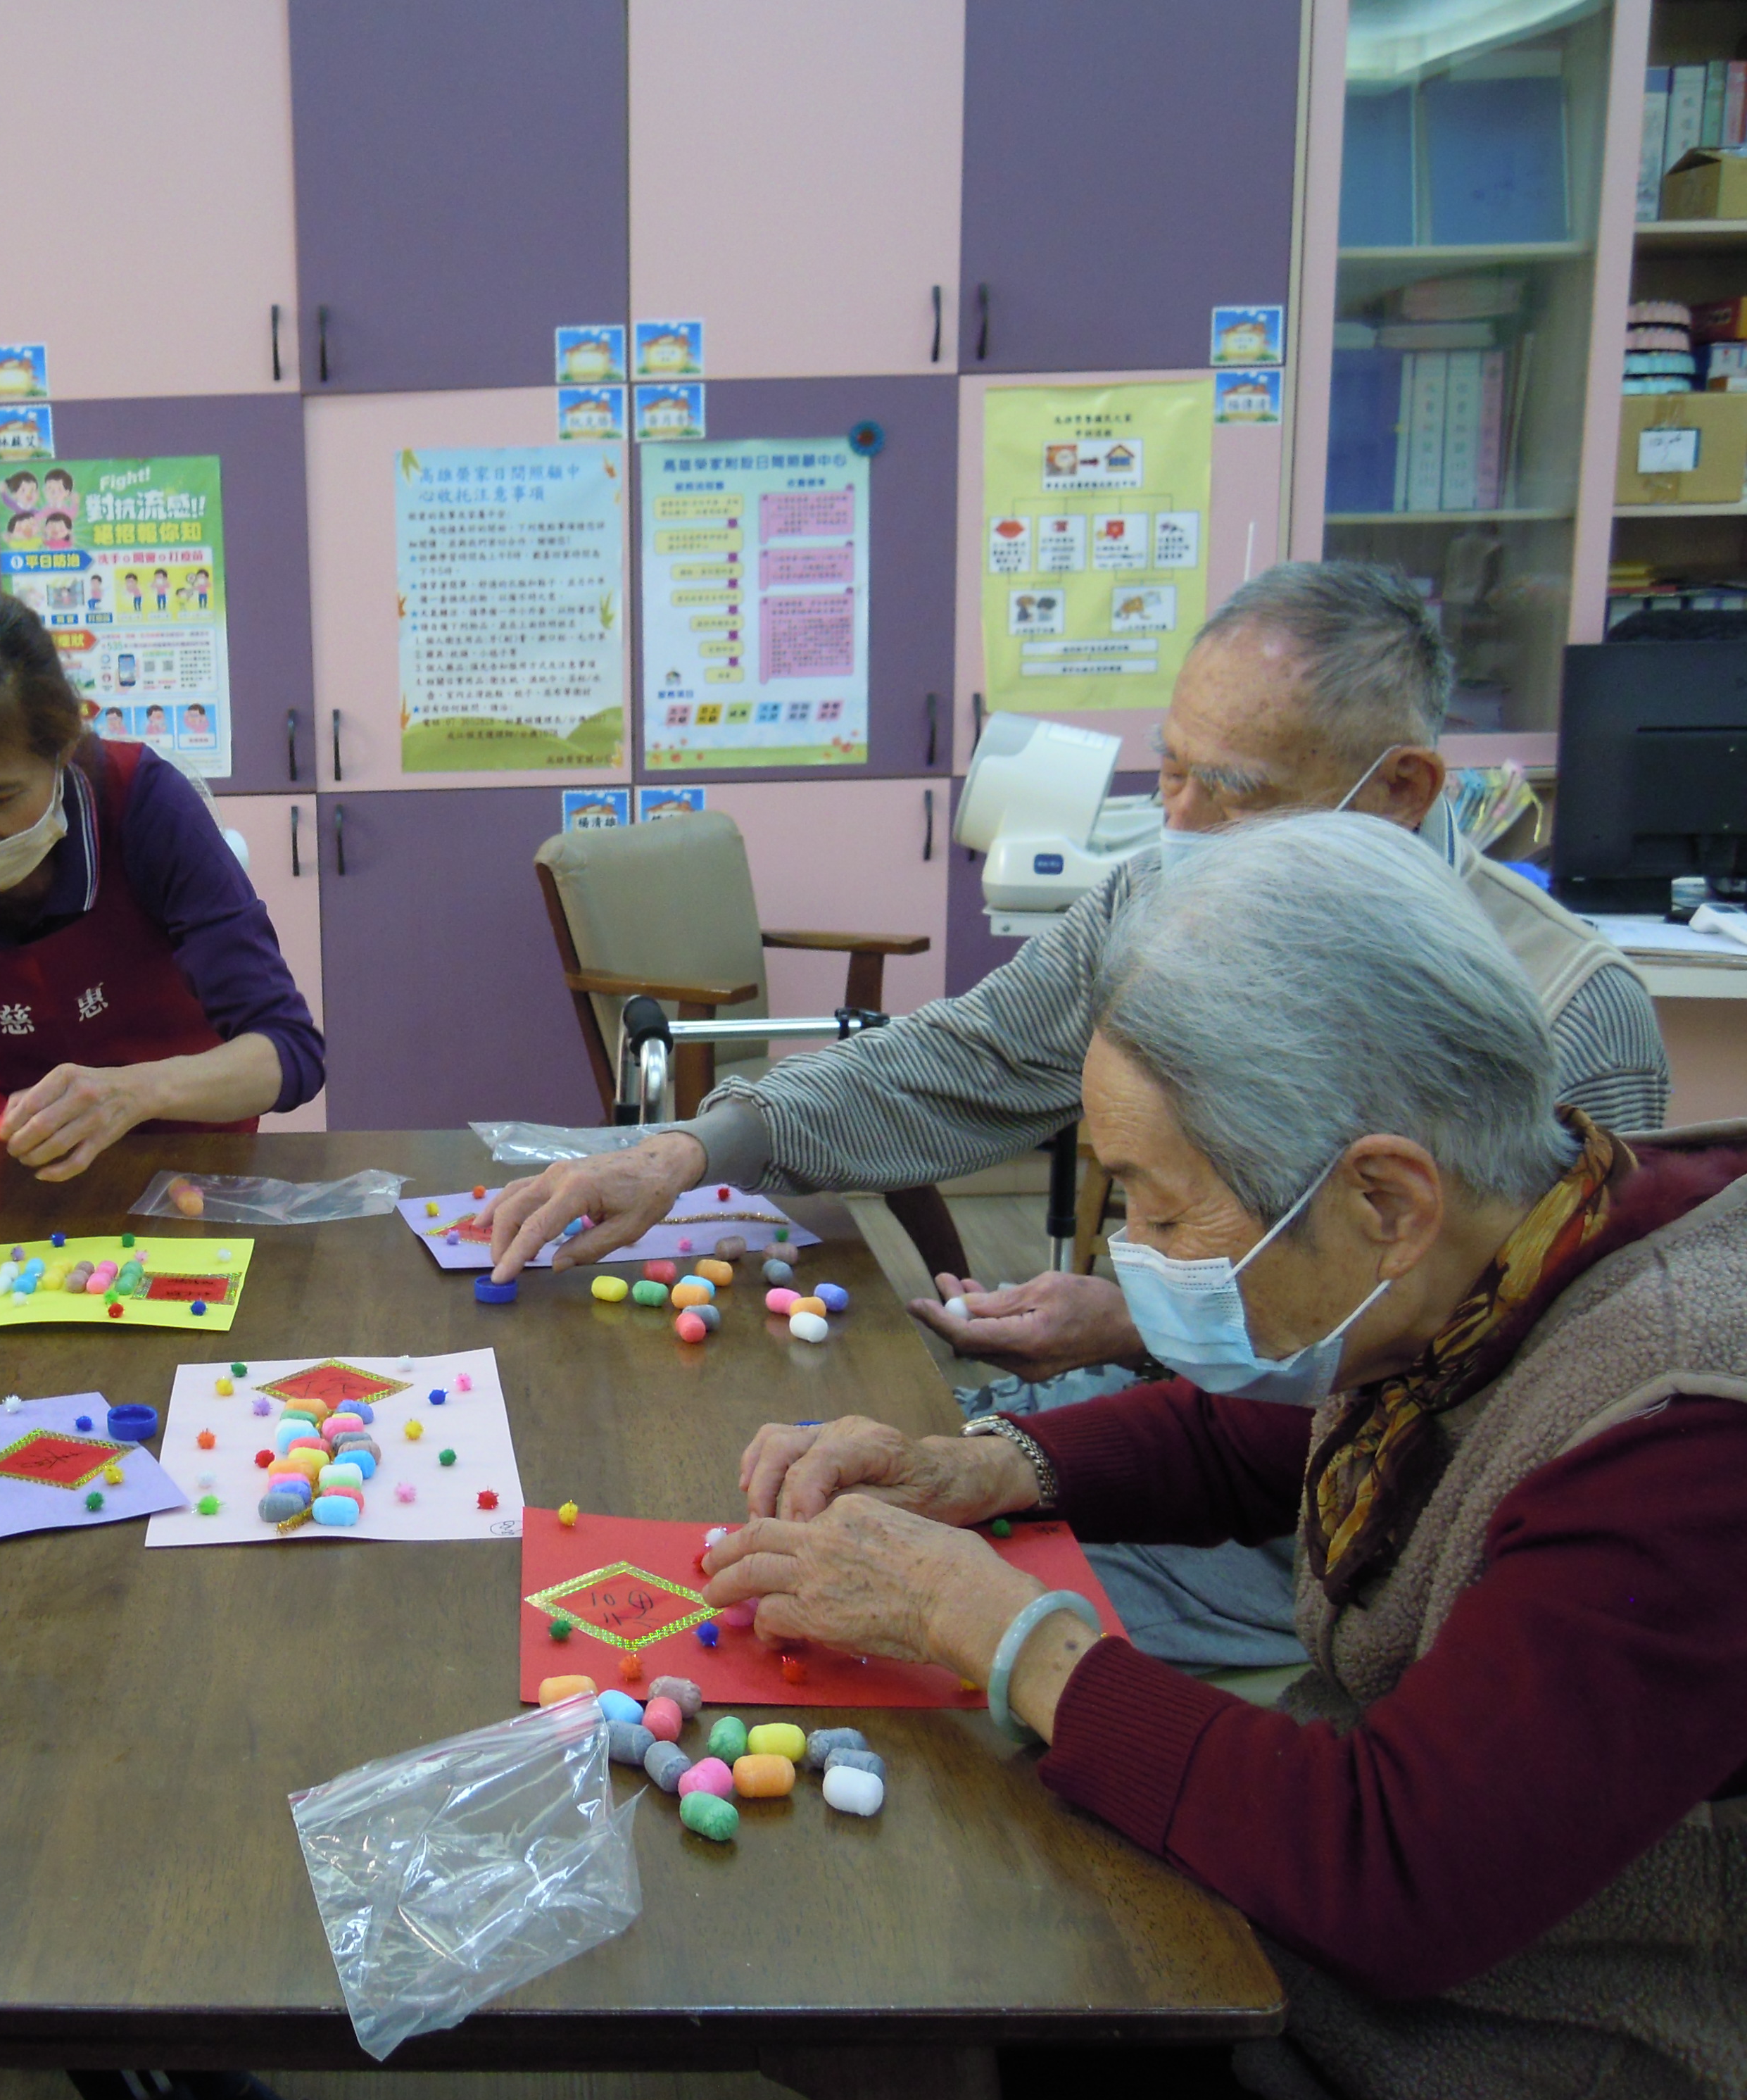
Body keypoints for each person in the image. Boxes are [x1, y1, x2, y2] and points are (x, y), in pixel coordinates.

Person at [709, 815, 1747, 2100]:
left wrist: (993, 1628)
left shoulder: (1681, 1433)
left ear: (1386, 1201)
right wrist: (978, 1467)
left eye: (1160, 1205)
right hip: (1346, 1940)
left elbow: (1399, 1870)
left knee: (880, 1952)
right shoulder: (1501, 1246)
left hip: (1519, 2040)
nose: (1133, 1254)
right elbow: (1261, 1433)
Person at [477, 562, 1670, 1663]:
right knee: (788, 1521)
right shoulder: (1163, 892)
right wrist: (691, 1150)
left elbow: (1490, 1441)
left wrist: (1148, 1318)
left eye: (1235, 792)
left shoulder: (1568, 1013)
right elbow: (968, 1058)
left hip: (1326, 1542)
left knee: (860, 1639)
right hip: (1159, 1430)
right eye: (1172, 771)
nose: (1182, 826)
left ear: (1400, 788)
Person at [0, 580, 324, 1178]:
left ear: (61, 749)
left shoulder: (142, 802)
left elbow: (288, 1050)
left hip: (191, 1163)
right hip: (8, 1169)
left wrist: (134, 1093)